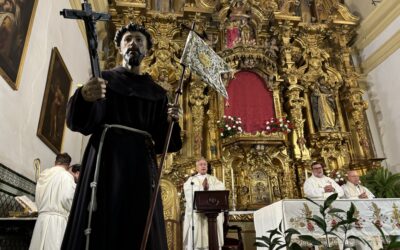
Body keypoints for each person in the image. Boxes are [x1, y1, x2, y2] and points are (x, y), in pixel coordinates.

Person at [61, 23, 182, 250]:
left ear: (147, 50)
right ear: (119, 48)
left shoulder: (157, 93)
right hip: (106, 161)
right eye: (128, 39)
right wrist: (85, 97)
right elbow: (82, 123)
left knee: (140, 221)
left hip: (141, 167)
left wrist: (171, 121)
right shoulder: (103, 79)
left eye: (139, 40)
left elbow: (165, 143)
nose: (133, 43)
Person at [29, 153, 76, 250]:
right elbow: (67, 198)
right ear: (68, 165)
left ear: (55, 162)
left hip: (41, 219)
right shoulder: (66, 176)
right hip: (57, 221)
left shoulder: (43, 176)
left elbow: (38, 198)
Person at [182, 157, 225, 250]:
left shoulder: (213, 179)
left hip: (211, 213)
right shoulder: (192, 180)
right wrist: (201, 188)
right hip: (198, 213)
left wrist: (209, 187)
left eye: (205, 164)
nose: (203, 166)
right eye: (201, 164)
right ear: (196, 167)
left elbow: (221, 189)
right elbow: (188, 192)